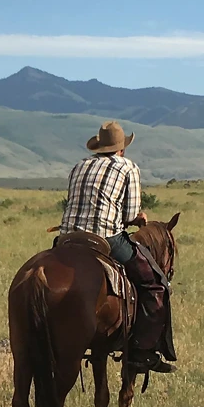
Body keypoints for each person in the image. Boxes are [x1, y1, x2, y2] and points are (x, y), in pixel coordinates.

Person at [59, 121, 176, 374]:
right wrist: (139, 219)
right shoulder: (127, 167)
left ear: (99, 146)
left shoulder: (80, 165)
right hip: (106, 237)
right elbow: (130, 213)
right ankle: (142, 351)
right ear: (121, 149)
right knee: (155, 284)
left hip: (68, 237)